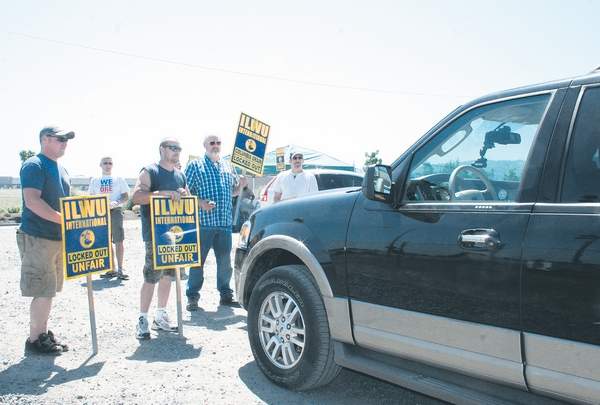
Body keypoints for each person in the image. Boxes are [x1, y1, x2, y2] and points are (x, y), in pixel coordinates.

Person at [17, 126, 75, 354]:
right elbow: (32, 201)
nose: (65, 143)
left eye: (66, 139)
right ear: (44, 140)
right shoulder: (35, 164)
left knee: (49, 289)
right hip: (37, 236)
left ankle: (42, 332)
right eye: (60, 139)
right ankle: (35, 339)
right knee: (43, 289)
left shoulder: (61, 168)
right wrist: (65, 221)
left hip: (54, 237)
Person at [131, 138, 188, 339]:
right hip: (155, 235)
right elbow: (136, 197)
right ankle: (142, 318)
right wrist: (161, 193)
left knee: (169, 276)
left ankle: (161, 315)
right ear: (162, 149)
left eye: (179, 148)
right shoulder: (150, 171)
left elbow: (186, 200)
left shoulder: (180, 175)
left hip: (176, 235)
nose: (177, 152)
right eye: (173, 148)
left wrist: (183, 193)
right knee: (152, 276)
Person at [185, 134, 247, 310]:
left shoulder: (228, 165)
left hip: (224, 222)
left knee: (224, 262)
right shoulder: (195, 165)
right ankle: (192, 297)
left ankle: (225, 295)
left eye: (218, 143)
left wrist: (240, 186)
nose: (215, 145)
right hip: (203, 222)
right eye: (212, 143)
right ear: (204, 145)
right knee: (198, 262)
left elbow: (233, 192)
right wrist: (200, 203)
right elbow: (185, 192)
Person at [88, 157, 130, 280]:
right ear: (100, 165)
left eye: (110, 163)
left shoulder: (118, 179)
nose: (108, 165)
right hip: (100, 212)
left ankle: (121, 269)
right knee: (105, 242)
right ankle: (111, 269)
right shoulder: (95, 180)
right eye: (105, 163)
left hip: (115, 211)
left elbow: (126, 196)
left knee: (118, 240)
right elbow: (91, 196)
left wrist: (116, 202)